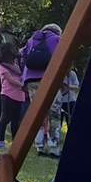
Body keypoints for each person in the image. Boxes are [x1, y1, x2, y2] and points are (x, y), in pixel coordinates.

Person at [20, 23, 62, 155]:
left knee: (37, 113)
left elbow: (23, 56)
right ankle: (53, 146)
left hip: (32, 81)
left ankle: (39, 145)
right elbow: (62, 59)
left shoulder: (32, 40)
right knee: (54, 113)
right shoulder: (57, 39)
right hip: (50, 80)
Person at [0, 37, 26, 154]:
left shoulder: (18, 66)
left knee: (16, 120)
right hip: (7, 95)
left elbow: (23, 74)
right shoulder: (2, 66)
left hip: (20, 96)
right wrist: (22, 85)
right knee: (5, 118)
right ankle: (1, 140)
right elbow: (10, 79)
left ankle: (15, 142)